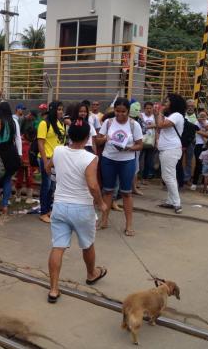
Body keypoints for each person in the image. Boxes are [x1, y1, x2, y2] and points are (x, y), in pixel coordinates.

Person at [46, 119, 108, 303]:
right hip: (82, 208)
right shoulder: (90, 158)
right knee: (87, 244)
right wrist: (101, 203)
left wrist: (59, 179)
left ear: (69, 134)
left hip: (60, 205)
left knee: (58, 246)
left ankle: (54, 289)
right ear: (88, 137)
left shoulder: (58, 150)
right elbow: (93, 185)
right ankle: (91, 274)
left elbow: (48, 168)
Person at [96, 98, 143, 236]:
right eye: (117, 111)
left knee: (126, 193)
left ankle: (129, 225)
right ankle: (104, 220)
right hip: (108, 159)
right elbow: (98, 140)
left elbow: (140, 144)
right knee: (107, 191)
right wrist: (105, 139)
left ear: (128, 111)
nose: (120, 114)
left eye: (123, 112)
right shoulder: (108, 122)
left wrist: (129, 148)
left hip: (127, 161)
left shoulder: (134, 125)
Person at [155, 93, 185, 214]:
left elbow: (160, 125)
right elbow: (159, 126)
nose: (165, 103)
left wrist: (160, 112)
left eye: (167, 101)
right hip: (168, 149)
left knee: (168, 177)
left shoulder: (177, 115)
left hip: (170, 150)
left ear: (173, 103)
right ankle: (170, 201)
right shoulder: (173, 115)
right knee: (169, 176)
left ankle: (177, 203)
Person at [37, 101, 66, 223]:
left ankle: (48, 209)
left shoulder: (61, 123)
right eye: (58, 109)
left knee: (53, 187)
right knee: (46, 186)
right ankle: (43, 212)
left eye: (62, 109)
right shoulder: (44, 123)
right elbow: (40, 144)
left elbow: (61, 142)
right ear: (53, 110)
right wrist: (45, 163)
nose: (61, 112)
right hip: (46, 158)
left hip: (57, 160)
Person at [15, 127, 37, 203]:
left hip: (29, 163)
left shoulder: (34, 140)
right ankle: (18, 196)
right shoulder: (19, 139)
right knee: (19, 179)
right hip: (20, 162)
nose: (31, 138)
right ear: (26, 134)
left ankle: (29, 197)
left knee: (29, 179)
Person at [191, 110, 208, 190]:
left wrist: (199, 131)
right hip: (198, 145)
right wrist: (202, 132)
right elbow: (194, 131)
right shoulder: (195, 123)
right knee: (198, 164)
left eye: (203, 116)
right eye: (200, 116)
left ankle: (205, 183)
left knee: (207, 164)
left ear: (207, 116)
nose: (202, 117)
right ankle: (194, 182)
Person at [139, 102, 156, 184]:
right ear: (144, 108)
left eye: (150, 108)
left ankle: (144, 178)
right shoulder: (140, 115)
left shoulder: (155, 117)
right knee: (138, 159)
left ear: (152, 108)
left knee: (148, 161)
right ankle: (137, 178)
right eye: (147, 108)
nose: (149, 110)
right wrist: (152, 125)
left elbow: (158, 127)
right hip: (141, 140)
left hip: (151, 141)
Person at [184, 99, 198, 184]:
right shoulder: (182, 115)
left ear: (194, 107)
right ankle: (179, 177)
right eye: (188, 106)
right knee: (179, 160)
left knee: (189, 161)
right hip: (181, 141)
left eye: (192, 106)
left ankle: (187, 178)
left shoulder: (197, 117)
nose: (190, 108)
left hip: (191, 141)